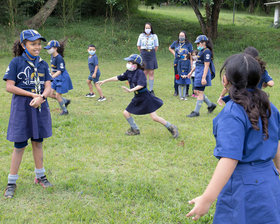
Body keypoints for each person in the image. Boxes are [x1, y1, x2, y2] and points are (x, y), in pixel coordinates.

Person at [186, 53, 280, 223]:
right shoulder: (268, 105)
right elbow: (276, 141)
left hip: (243, 187)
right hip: (270, 182)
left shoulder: (232, 113)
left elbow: (229, 159)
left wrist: (207, 199)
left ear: (225, 80)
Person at [3, 29, 53, 198]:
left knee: (38, 142)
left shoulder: (43, 64)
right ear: (24, 45)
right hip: (22, 108)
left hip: (39, 105)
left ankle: (40, 176)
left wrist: (42, 97)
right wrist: (32, 95)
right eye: (33, 44)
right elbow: (9, 86)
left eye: (39, 44)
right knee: (19, 145)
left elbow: (49, 86)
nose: (37, 47)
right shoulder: (16, 62)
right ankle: (11, 182)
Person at [98, 54, 179, 138]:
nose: (128, 64)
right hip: (137, 97)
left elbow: (141, 85)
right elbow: (118, 77)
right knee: (126, 113)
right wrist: (105, 81)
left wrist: (130, 90)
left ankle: (172, 127)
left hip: (145, 97)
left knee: (154, 117)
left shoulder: (140, 73)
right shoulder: (129, 72)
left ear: (137, 64)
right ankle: (135, 130)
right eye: (128, 62)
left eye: (130, 62)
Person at [187, 35, 216, 117]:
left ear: (204, 43)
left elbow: (206, 65)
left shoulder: (207, 52)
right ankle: (210, 105)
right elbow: (198, 63)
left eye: (198, 43)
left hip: (203, 73)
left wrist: (203, 78)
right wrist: (191, 72)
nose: (197, 45)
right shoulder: (201, 51)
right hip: (198, 73)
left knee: (200, 93)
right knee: (196, 91)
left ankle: (196, 112)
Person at [44, 40, 73, 115]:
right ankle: (65, 101)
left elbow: (60, 71)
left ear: (55, 48)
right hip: (55, 77)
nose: (48, 50)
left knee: (57, 95)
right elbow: (53, 68)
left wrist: (51, 78)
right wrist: (50, 75)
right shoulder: (52, 56)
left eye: (49, 48)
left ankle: (65, 111)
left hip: (62, 77)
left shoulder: (59, 58)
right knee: (49, 93)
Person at [137, 22, 159, 96]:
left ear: (151, 28)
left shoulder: (154, 36)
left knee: (151, 72)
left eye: (149, 28)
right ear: (144, 28)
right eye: (146, 28)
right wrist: (143, 52)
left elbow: (156, 46)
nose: (147, 29)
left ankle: (151, 90)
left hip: (151, 54)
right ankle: (144, 89)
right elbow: (138, 46)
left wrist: (151, 52)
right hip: (144, 54)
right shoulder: (141, 35)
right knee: (144, 72)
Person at [169, 31, 193, 96]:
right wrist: (174, 54)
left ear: (185, 37)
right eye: (180, 36)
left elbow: (191, 54)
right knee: (177, 75)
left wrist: (191, 63)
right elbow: (170, 48)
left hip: (186, 62)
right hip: (177, 62)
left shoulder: (188, 44)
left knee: (186, 76)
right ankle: (176, 91)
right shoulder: (176, 43)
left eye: (182, 36)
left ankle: (186, 92)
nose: (181, 37)